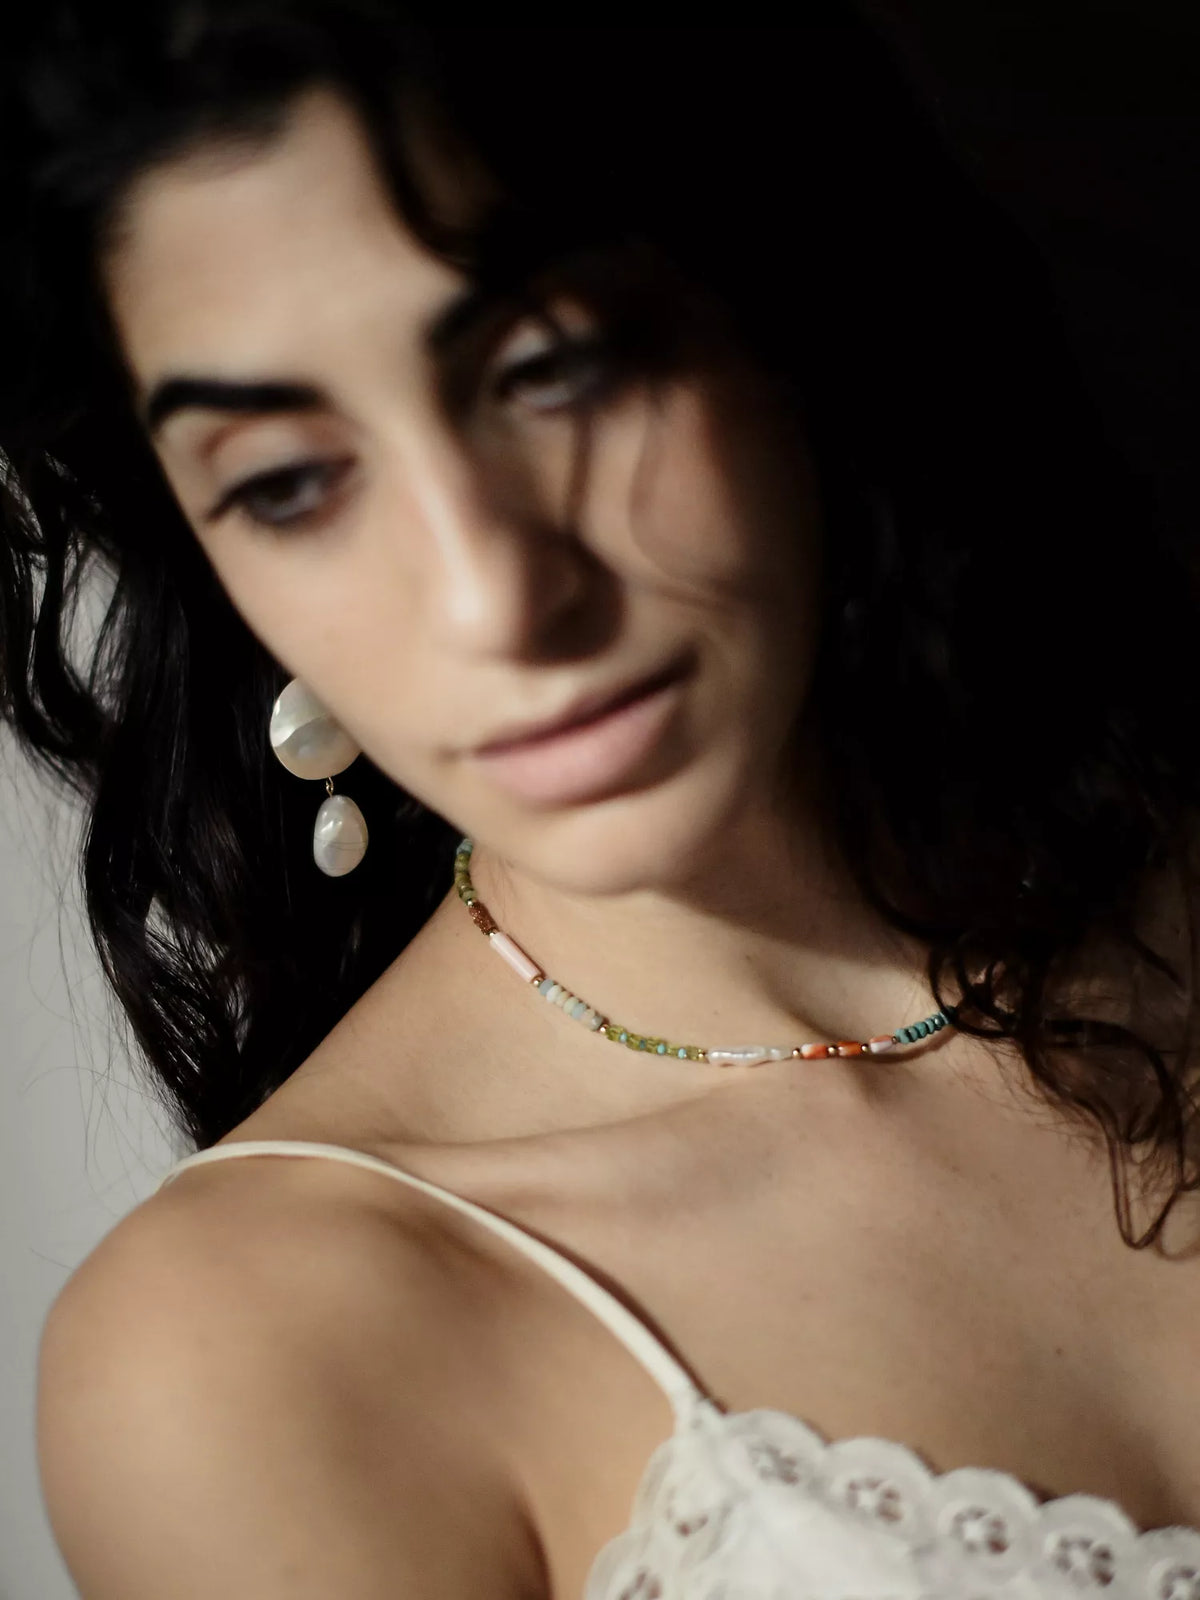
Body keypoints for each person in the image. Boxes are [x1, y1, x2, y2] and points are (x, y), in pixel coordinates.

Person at [3, 6, 1200, 1596]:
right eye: (289, 480)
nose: (495, 598)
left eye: (550, 367)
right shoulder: (265, 1354)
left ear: (776, 297)